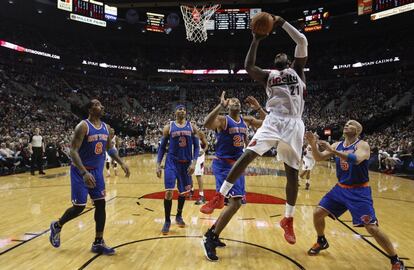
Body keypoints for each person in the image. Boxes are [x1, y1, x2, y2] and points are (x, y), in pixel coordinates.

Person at [201, 15, 308, 245]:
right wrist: (256, 39)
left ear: (289, 60)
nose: (280, 55)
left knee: (292, 174)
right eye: (276, 55)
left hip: (294, 123)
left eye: (283, 55)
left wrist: (281, 23)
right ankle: (220, 195)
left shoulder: (298, 71)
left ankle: (288, 219)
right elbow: (249, 66)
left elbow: (301, 40)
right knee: (248, 155)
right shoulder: (269, 76)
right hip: (274, 120)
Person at [305, 120, 405, 270]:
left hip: (359, 191)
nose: (347, 125)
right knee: (317, 213)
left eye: (351, 124)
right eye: (346, 123)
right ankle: (321, 241)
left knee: (371, 228)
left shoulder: (362, 145)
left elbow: (356, 159)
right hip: (340, 189)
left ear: (358, 130)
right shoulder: (337, 144)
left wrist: (333, 152)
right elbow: (319, 158)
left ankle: (396, 260)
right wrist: (313, 144)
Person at [49, 99, 130, 255]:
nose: (102, 106)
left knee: (101, 204)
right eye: (98, 104)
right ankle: (57, 225)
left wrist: (121, 162)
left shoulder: (106, 128)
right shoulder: (83, 126)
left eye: (101, 104)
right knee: (79, 207)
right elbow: (73, 151)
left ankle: (98, 242)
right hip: (81, 172)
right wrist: (84, 172)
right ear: (90, 109)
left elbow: (110, 149)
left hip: (97, 173)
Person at [201, 92, 265, 261]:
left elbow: (267, 123)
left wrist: (258, 107)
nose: (236, 101)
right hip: (223, 165)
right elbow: (207, 124)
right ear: (228, 106)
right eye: (232, 101)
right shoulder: (223, 120)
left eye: (238, 100)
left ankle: (213, 234)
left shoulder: (247, 120)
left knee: (234, 205)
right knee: (235, 203)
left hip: (238, 165)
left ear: (241, 106)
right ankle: (210, 238)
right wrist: (219, 106)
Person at [156, 104, 200, 235]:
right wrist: (158, 164)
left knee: (183, 193)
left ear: (186, 112)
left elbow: (197, 147)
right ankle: (167, 221)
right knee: (168, 192)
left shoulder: (192, 127)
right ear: (175, 112)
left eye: (183, 109)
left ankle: (179, 216)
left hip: (186, 164)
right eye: (179, 109)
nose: (181, 111)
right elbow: (162, 147)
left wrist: (194, 163)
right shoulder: (168, 127)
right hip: (171, 162)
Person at [190, 121, 209, 205]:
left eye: (194, 123)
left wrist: (203, 151)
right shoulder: (187, 133)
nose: (193, 124)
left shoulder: (200, 133)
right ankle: (191, 189)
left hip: (199, 155)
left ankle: (202, 195)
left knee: (198, 174)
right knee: (188, 173)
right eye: (191, 123)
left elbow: (207, 144)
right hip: (190, 155)